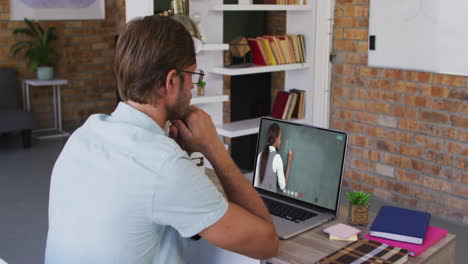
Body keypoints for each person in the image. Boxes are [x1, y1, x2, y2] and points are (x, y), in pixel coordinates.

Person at [45, 15, 278, 264]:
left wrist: (176, 158)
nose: (192, 86)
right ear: (170, 81)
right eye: (191, 75)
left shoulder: (84, 134)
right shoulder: (163, 166)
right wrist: (213, 148)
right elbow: (266, 243)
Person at [254, 123, 294, 192]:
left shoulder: (260, 155)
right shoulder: (277, 158)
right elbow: (282, 186)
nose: (281, 141)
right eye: (280, 138)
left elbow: (255, 184)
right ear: (276, 139)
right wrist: (289, 162)